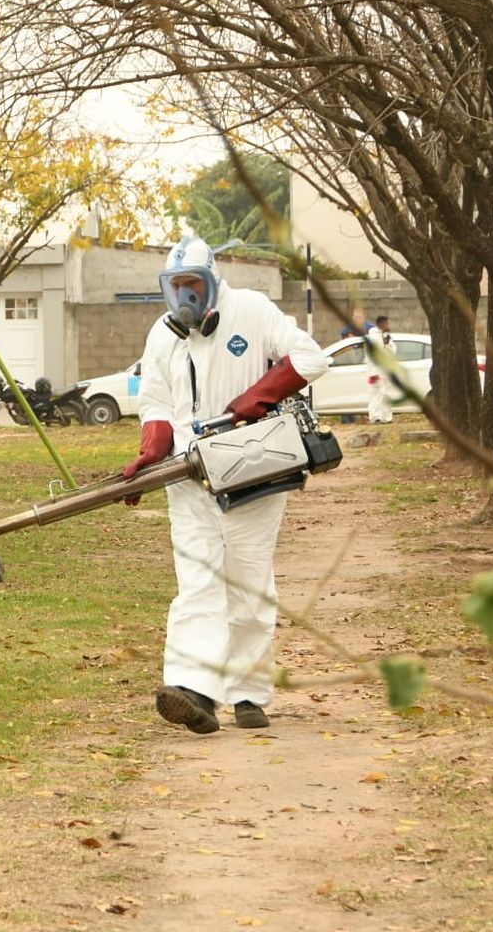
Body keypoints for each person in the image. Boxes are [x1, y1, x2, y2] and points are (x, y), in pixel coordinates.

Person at [122, 237, 329, 734]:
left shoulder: (253, 311)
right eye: (175, 287)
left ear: (213, 281)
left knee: (249, 582)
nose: (184, 296)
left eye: (192, 284)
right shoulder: (162, 334)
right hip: (187, 475)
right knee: (198, 582)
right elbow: (154, 399)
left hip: (251, 468)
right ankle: (192, 689)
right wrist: (154, 446)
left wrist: (259, 395)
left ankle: (249, 693)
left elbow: (310, 357)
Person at [366, 315, 396, 424]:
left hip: (385, 370)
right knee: (376, 394)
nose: (389, 325)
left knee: (385, 394)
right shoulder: (372, 337)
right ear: (382, 324)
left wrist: (387, 344)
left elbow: (392, 351)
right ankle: (375, 417)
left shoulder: (386, 336)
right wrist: (373, 372)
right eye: (387, 323)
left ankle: (386, 417)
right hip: (376, 370)